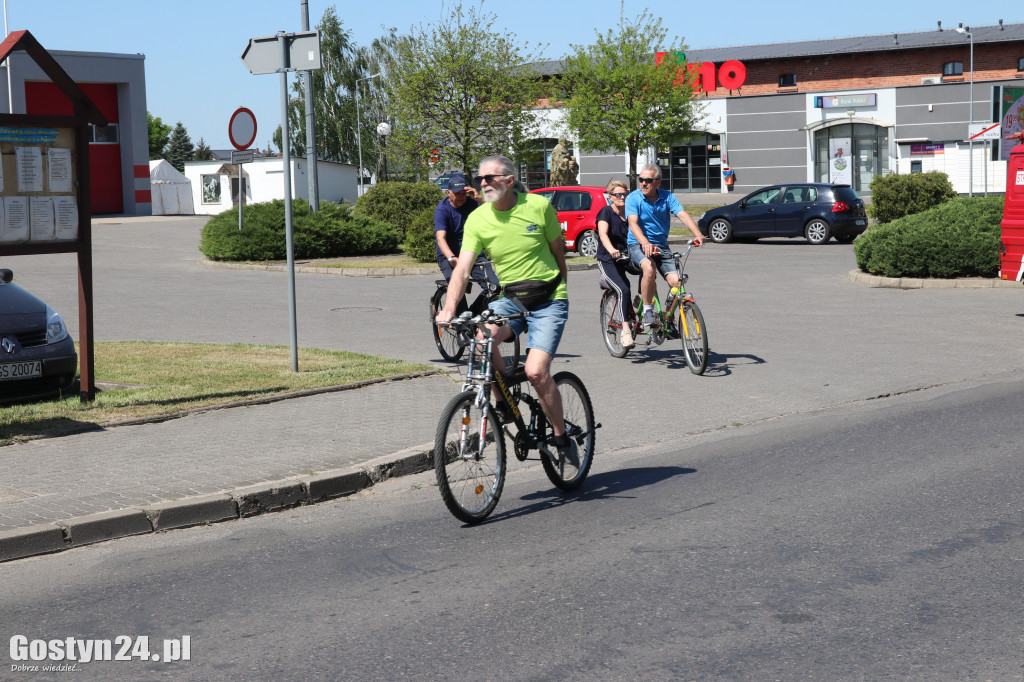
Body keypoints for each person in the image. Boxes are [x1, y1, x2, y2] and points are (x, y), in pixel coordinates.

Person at [435, 155, 576, 465]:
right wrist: (449, 308)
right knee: (481, 340)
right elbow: (462, 269)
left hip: (549, 298)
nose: (483, 183)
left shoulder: (538, 206)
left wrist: (561, 291)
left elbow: (558, 253)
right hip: (511, 299)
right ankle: (504, 402)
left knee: (536, 371)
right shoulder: (478, 219)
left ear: (510, 180)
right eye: (480, 178)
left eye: (490, 178)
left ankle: (561, 437)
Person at [626, 163, 704, 327]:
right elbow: (633, 223)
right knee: (649, 268)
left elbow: (682, 215)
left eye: (648, 180)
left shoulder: (667, 197)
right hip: (637, 244)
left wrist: (697, 234)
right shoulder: (633, 198)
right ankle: (647, 310)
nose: (643, 183)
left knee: (677, 282)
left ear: (658, 182)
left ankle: (668, 318)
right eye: (641, 179)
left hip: (661, 245)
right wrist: (645, 242)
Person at [433, 173, 498, 311]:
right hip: (449, 256)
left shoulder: (472, 203)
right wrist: (451, 258)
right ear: (448, 193)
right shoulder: (442, 210)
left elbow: (497, 211)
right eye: (458, 194)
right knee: (457, 290)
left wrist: (479, 199)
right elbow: (440, 238)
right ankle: (461, 319)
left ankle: (472, 314)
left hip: (473, 253)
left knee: (495, 287)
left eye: (464, 193)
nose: (462, 197)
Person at [595, 179, 637, 349]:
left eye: (625, 194)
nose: (622, 197)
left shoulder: (630, 213)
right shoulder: (605, 212)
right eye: (618, 194)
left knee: (648, 268)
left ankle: (640, 298)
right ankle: (625, 330)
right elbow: (603, 234)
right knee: (623, 289)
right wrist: (612, 249)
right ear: (610, 197)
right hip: (608, 258)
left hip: (626, 256)